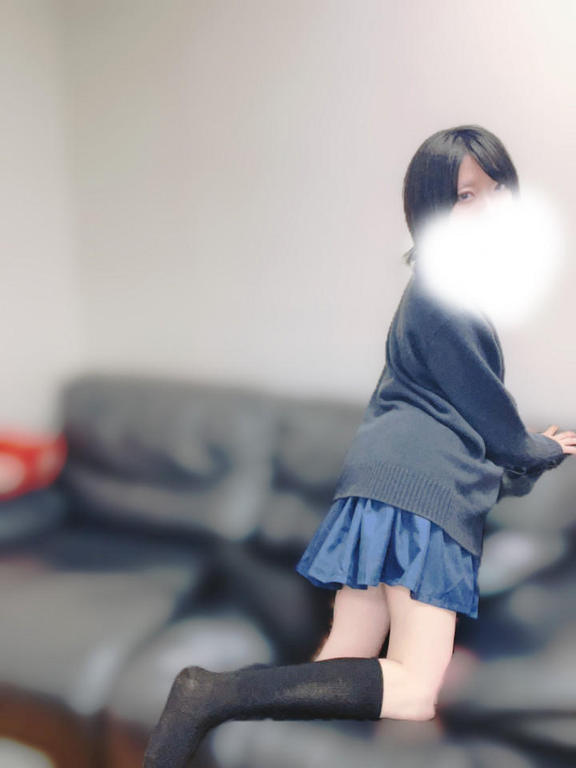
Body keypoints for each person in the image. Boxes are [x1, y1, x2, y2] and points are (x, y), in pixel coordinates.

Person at [143, 124, 575, 768]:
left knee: (340, 664)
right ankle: (210, 693)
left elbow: (442, 415)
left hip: (381, 487)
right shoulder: (447, 293)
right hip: (420, 496)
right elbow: (492, 421)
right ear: (430, 207)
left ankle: (208, 710)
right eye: (465, 195)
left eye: (498, 188)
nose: (489, 206)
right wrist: (538, 450)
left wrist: (518, 461)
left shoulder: (432, 289)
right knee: (414, 691)